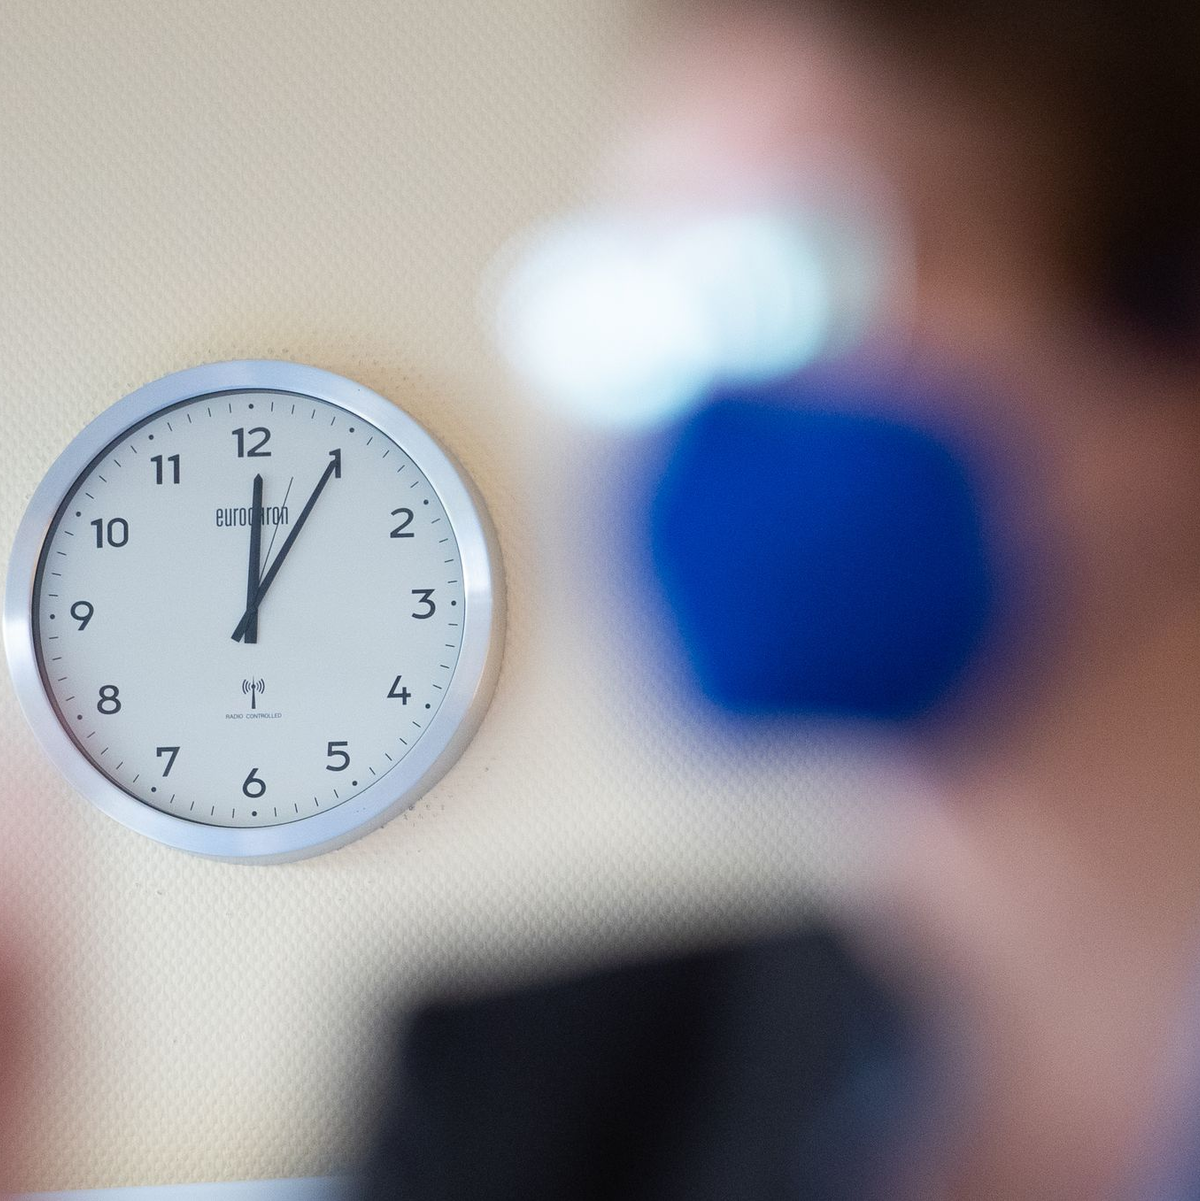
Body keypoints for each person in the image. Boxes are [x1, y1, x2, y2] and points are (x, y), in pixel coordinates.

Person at [362, 2, 1200, 1197]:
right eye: (647, 291)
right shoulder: (532, 1106)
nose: (698, 405)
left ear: (1162, 346)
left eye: (795, 273)